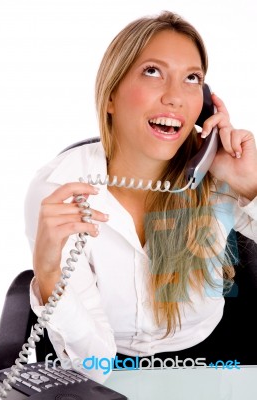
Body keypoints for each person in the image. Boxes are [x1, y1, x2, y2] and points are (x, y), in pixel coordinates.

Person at [25, 11, 257, 383]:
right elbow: (92, 364)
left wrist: (250, 185)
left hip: (217, 358)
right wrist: (50, 274)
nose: (175, 97)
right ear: (111, 95)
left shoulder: (217, 173)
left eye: (192, 79)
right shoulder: (60, 189)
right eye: (152, 71)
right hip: (107, 364)